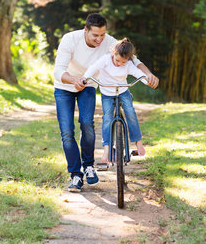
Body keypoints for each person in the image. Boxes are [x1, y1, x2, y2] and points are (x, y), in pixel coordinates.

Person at [54, 13, 159, 192]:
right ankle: (76, 175)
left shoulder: (109, 42)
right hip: (65, 86)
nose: (99, 39)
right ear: (85, 30)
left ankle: (88, 167)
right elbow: (58, 71)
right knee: (67, 132)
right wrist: (75, 80)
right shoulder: (70, 39)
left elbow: (134, 61)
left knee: (87, 123)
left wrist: (148, 75)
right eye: (95, 35)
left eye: (102, 35)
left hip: (88, 86)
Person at [84, 38, 151, 163]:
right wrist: (85, 78)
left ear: (128, 60)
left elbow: (138, 73)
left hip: (122, 91)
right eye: (117, 60)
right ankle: (107, 149)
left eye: (123, 62)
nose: (120, 64)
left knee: (130, 112)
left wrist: (147, 80)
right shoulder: (105, 59)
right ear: (113, 53)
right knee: (108, 118)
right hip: (107, 93)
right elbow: (93, 68)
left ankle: (138, 142)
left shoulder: (128, 64)